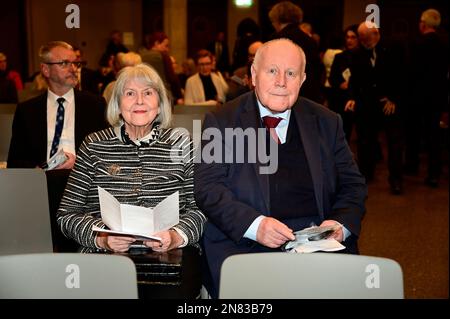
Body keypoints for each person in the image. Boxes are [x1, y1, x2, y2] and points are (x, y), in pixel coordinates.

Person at [194, 39, 367, 298]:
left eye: (291, 73)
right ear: (253, 74)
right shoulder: (222, 121)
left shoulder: (327, 122)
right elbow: (208, 187)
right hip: (246, 246)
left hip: (318, 245)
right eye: (272, 71)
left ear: (303, 79)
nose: (281, 82)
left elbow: (353, 185)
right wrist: (255, 225)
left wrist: (340, 224)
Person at [57, 63, 206, 253]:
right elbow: (67, 215)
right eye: (130, 93)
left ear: (160, 106)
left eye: (148, 93)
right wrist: (102, 238)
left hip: (172, 254)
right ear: (118, 105)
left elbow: (201, 210)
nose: (140, 101)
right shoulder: (93, 145)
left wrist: (175, 236)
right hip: (106, 256)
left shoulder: (182, 144)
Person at [7, 41, 107, 169]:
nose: (73, 69)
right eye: (64, 63)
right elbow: (15, 162)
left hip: (83, 180)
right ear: (46, 70)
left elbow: (107, 154)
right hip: (43, 182)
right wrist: (35, 171)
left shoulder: (95, 105)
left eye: (75, 63)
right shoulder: (27, 111)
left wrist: (80, 164)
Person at [344, 22, 405, 194]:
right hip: (367, 105)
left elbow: (402, 76)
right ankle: (366, 175)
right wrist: (352, 98)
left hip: (389, 104)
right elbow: (354, 80)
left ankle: (396, 180)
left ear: (376, 34)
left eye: (366, 39)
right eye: (361, 39)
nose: (364, 43)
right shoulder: (357, 54)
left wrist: (393, 99)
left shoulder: (394, 49)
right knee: (365, 142)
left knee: (394, 143)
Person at [404, 8, 448, 187]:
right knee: (434, 136)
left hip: (417, 96)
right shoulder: (445, 45)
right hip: (437, 96)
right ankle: (433, 174)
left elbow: (411, 72)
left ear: (423, 24)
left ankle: (412, 165)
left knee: (413, 133)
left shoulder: (417, 44)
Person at [269, 1, 322, 103]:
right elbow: (318, 69)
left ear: (277, 19)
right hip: (308, 94)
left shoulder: (275, 39)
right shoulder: (309, 40)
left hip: (283, 94)